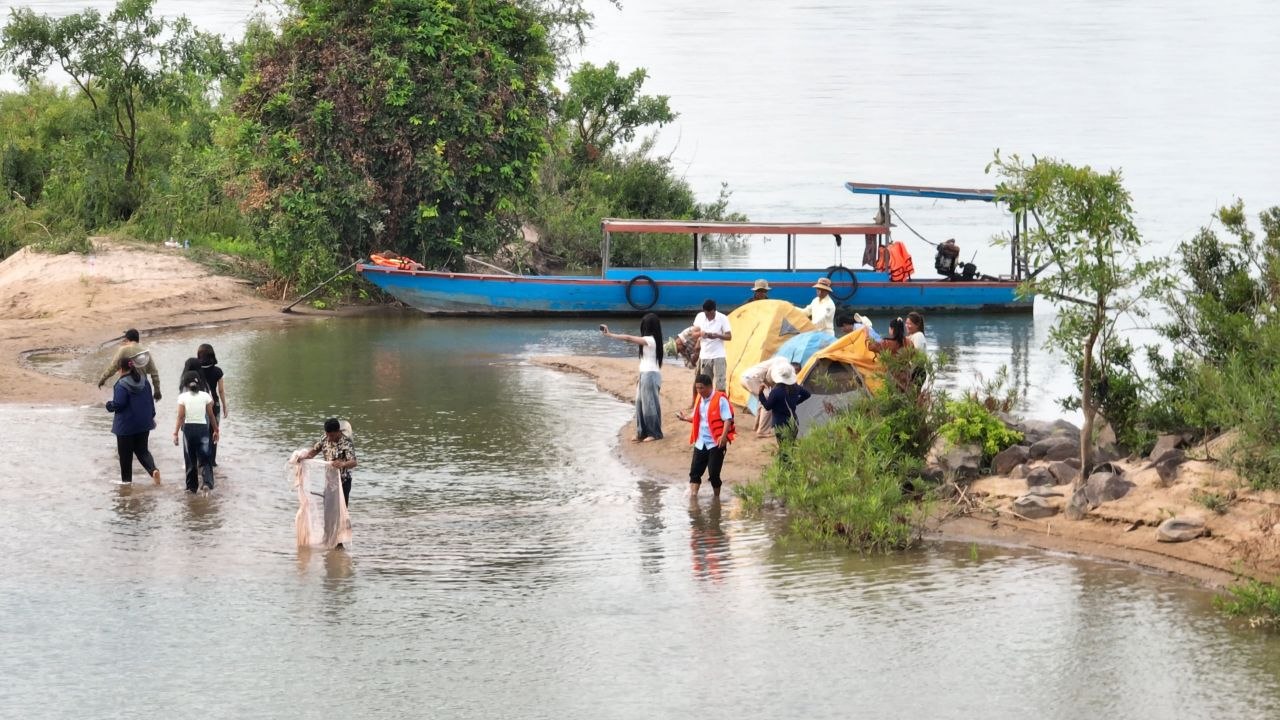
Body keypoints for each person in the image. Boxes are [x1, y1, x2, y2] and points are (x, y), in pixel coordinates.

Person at [600, 313, 664, 442]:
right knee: (640, 403)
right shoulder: (649, 340)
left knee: (649, 405)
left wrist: (610, 334)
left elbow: (628, 338)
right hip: (644, 374)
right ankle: (642, 432)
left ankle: (654, 433)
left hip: (650, 374)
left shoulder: (651, 340)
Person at [677, 373, 735, 501]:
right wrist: (685, 418)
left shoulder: (720, 399)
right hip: (701, 442)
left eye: (701, 388)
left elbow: (728, 419)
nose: (699, 391)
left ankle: (716, 499)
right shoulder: (699, 399)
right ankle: (693, 499)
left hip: (716, 443)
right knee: (694, 473)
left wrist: (723, 436)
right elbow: (697, 418)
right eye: (697, 388)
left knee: (714, 475)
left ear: (709, 387)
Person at [105, 357, 161, 485]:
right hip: (144, 424)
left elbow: (119, 404)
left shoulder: (121, 384)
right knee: (142, 451)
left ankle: (126, 486)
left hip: (126, 427)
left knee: (125, 457)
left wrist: (109, 405)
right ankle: (153, 470)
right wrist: (151, 417)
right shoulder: (145, 382)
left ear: (120, 369)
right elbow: (150, 403)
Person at [173, 375, 218, 494]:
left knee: (190, 459)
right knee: (205, 457)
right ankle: (207, 483)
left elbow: (180, 417)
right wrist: (216, 430)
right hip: (202, 429)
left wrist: (175, 433)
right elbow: (211, 415)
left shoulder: (182, 397)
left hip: (188, 430)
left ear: (187, 386)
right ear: (199, 385)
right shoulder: (205, 396)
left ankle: (191, 487)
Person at [301, 418, 358, 506]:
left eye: (331, 436)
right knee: (328, 508)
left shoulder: (346, 443)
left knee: (341, 510)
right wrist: (303, 457)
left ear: (338, 432)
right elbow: (314, 451)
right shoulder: (324, 438)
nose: (329, 438)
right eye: (327, 434)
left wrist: (342, 464)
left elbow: (354, 462)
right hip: (329, 481)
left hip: (343, 482)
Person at [97, 328, 161, 400]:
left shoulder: (123, 350)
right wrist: (157, 391)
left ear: (127, 339)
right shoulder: (146, 352)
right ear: (137, 339)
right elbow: (154, 373)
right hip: (143, 387)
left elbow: (113, 367)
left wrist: (103, 379)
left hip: (127, 387)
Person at [757, 363, 811, 444]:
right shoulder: (796, 387)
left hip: (780, 424)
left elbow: (767, 407)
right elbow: (807, 394)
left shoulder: (776, 392)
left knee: (783, 447)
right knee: (790, 446)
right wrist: (795, 402)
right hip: (794, 422)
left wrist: (760, 393)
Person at [693, 299, 732, 392]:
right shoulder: (700, 317)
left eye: (710, 314)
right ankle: (707, 405)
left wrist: (717, 335)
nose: (708, 316)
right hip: (705, 355)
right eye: (706, 314)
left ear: (714, 310)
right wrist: (701, 334)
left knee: (721, 384)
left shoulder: (723, 318)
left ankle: (720, 404)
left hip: (719, 355)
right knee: (705, 383)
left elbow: (729, 336)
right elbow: (693, 334)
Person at [197, 344, 227, 465]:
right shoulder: (218, 371)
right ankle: (212, 461)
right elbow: (221, 391)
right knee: (214, 431)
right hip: (214, 405)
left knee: (201, 433)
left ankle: (201, 461)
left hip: (199, 405)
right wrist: (225, 405)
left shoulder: (195, 370)